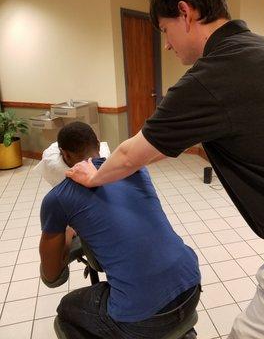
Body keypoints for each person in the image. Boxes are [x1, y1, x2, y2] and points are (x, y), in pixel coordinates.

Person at [65, 0, 264, 339]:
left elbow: (129, 155)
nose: (168, 44)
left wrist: (94, 176)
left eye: (165, 30)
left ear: (185, 13)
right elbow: (163, 141)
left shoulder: (212, 76)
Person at [39, 121, 200, 339]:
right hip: (191, 288)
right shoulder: (136, 169)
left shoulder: (58, 198)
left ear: (65, 155)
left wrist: (67, 234)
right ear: (98, 144)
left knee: (66, 310)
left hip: (144, 319)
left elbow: (52, 275)